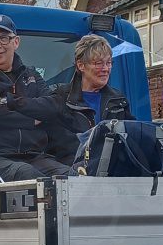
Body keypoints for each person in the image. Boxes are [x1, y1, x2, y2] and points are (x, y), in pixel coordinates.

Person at [0, 14, 71, 184]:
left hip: (34, 156)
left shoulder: (31, 75)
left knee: (72, 176)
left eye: (4, 38)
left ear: (16, 42)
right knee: (28, 175)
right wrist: (31, 119)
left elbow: (54, 106)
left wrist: (12, 103)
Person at [48, 34, 135, 164]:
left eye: (108, 63)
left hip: (112, 170)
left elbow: (132, 137)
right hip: (73, 170)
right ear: (81, 65)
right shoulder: (61, 97)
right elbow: (58, 142)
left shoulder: (119, 100)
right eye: (98, 63)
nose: (105, 69)